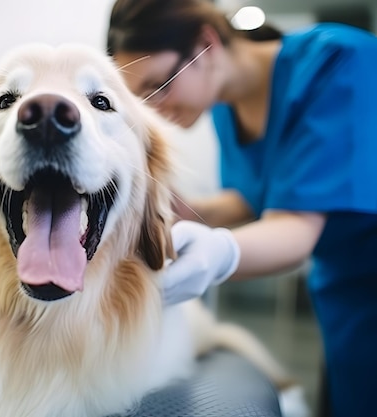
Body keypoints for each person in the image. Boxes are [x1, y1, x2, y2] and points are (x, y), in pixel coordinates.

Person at [106, 0, 377, 416]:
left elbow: (295, 226)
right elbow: (258, 197)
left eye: (159, 87)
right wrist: (182, 210)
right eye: (140, 99)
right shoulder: (223, 108)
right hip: (343, 287)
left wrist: (218, 253)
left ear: (206, 44)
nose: (154, 111)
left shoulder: (338, 62)